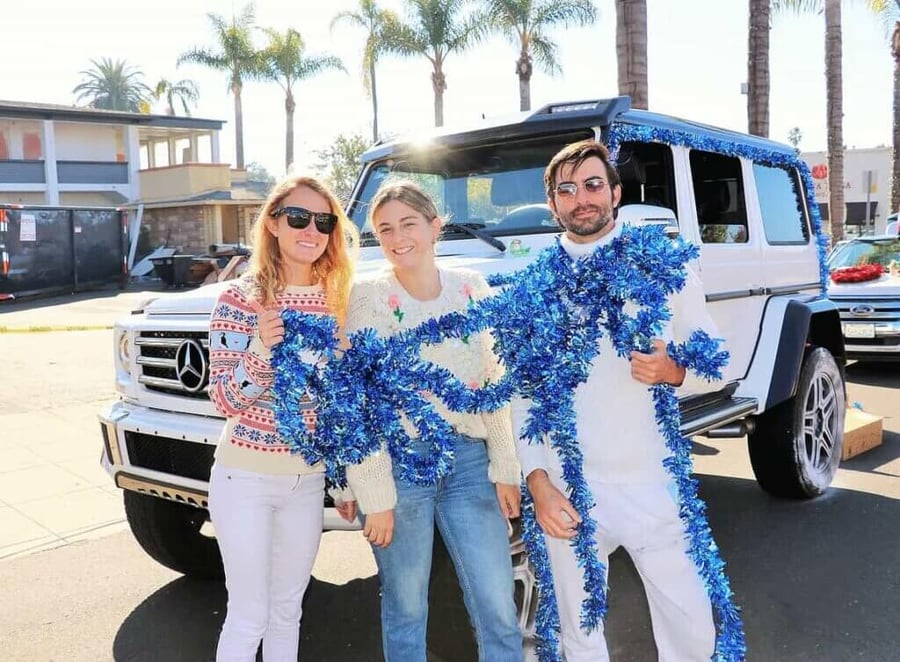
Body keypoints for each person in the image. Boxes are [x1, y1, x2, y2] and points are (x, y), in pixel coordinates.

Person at [514, 139, 721, 661]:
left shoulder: (664, 267)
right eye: (566, 190)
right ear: (553, 203)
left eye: (592, 184)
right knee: (578, 635)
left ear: (616, 192)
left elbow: (717, 364)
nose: (581, 198)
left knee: (690, 623)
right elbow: (524, 396)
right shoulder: (534, 288)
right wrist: (539, 484)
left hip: (652, 481)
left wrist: (674, 370)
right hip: (569, 489)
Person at [342, 180, 524, 662]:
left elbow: (494, 379)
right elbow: (359, 403)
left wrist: (505, 466)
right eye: (384, 229)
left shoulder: (471, 288)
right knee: (406, 610)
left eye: (408, 224)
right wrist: (374, 494)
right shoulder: (368, 298)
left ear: (434, 226)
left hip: (469, 463)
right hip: (400, 468)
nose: (397, 237)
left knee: (497, 606)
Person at [207, 174, 358, 662]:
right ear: (273, 223)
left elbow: (337, 408)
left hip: (308, 482)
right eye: (297, 217)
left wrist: (346, 483)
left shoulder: (338, 301)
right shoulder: (240, 298)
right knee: (249, 613)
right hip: (245, 476)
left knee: (288, 611)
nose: (310, 230)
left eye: (323, 220)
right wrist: (259, 352)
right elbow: (224, 399)